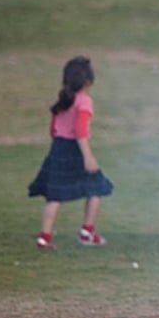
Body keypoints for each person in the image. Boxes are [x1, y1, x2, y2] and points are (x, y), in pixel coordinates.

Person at [28, 57, 114, 249]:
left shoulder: (63, 101)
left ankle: (44, 238)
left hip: (58, 148)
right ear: (88, 82)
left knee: (55, 196)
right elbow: (80, 131)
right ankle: (87, 232)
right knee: (97, 188)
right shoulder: (84, 102)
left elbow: (53, 130)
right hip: (76, 149)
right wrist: (88, 157)